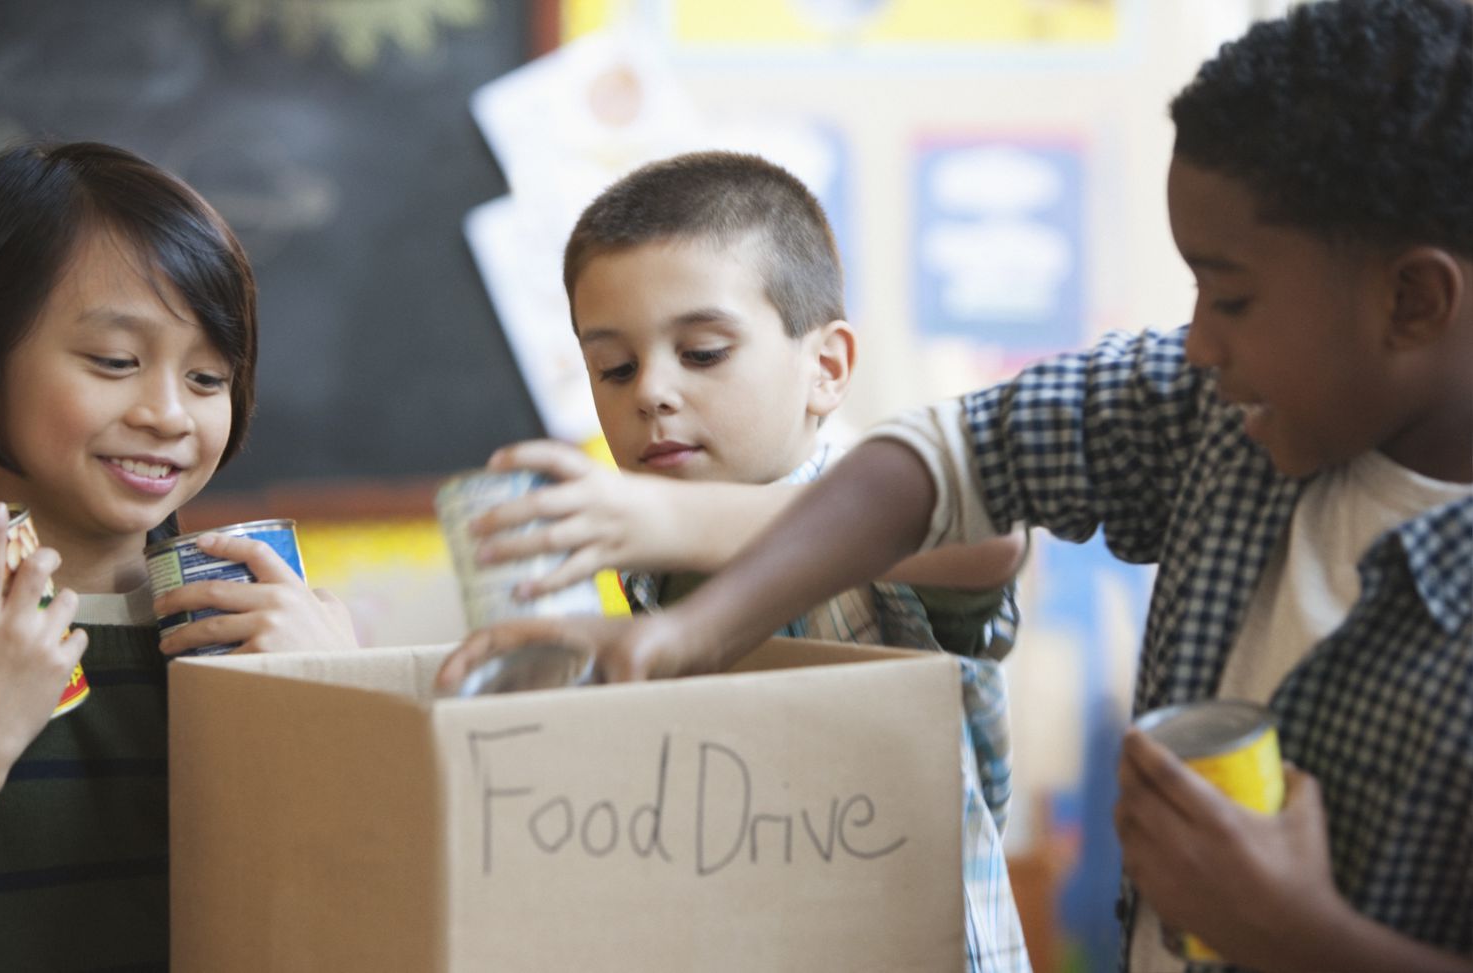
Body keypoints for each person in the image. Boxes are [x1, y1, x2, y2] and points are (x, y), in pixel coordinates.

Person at [438, 2, 1473, 971]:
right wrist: (679, 631)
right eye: (613, 370)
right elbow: (958, 462)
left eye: (1233, 297)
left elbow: (979, 541)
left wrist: (1298, 935)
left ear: (1415, 299)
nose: (1198, 336)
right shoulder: (1207, 405)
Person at [465, 150, 1030, 972]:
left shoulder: (876, 501)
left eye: (701, 352)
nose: (649, 392)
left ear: (826, 367)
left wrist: (677, 515)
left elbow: (986, 538)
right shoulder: (645, 564)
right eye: (613, 368)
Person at [0, 140, 358, 969]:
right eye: (116, 361)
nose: (168, 413)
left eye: (210, 377)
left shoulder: (256, 618)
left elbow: (366, 899)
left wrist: (347, 707)